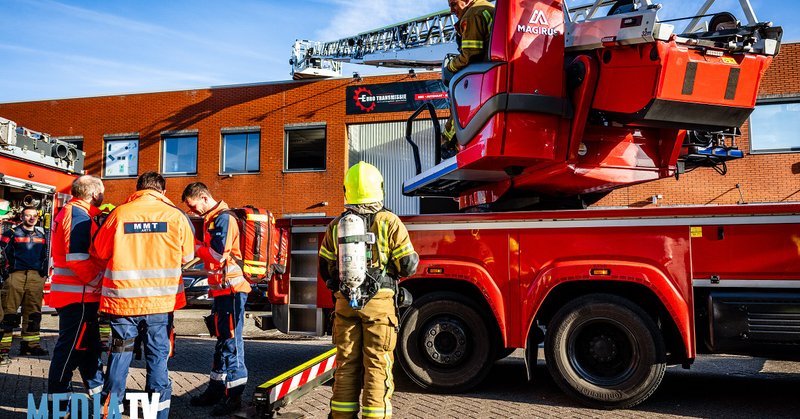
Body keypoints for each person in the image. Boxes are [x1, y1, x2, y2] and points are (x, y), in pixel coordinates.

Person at [318, 161, 419, 419]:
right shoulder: (390, 221)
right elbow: (407, 265)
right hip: (379, 305)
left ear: (346, 190)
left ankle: (341, 416)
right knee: (377, 364)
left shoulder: (336, 225)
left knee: (346, 364)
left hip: (345, 303)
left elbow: (325, 267)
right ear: (380, 188)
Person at [91, 172, 194, 418]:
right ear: (162, 191)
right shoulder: (175, 216)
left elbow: (100, 251)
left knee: (120, 354)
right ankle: (157, 413)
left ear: (137, 189)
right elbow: (188, 256)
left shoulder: (119, 214)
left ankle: (109, 411)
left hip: (124, 304)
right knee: (157, 357)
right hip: (160, 304)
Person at [182, 182, 251, 416]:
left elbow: (217, 255)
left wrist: (194, 246)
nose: (193, 211)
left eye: (193, 206)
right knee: (223, 342)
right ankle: (216, 389)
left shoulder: (223, 219)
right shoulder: (214, 220)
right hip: (223, 292)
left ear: (203, 197)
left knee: (232, 343)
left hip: (232, 291)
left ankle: (234, 397)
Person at [47, 175, 106, 406]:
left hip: (80, 295)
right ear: (93, 194)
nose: (103, 196)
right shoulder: (78, 215)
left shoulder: (76, 213)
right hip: (78, 295)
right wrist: (99, 281)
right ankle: (58, 402)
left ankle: (98, 394)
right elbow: (78, 258)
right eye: (101, 192)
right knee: (70, 350)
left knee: (89, 349)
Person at [440, 0, 495, 158]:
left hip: (482, 77)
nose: (452, 10)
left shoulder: (472, 15)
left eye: (454, 4)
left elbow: (469, 56)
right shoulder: (487, 8)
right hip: (490, 72)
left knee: (459, 98)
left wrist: (450, 67)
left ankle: (449, 143)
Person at [0, 206, 49, 364]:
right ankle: (3, 351)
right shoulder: (11, 234)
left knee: (33, 313)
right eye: (28, 216)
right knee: (8, 314)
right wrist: (5, 274)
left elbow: (44, 255)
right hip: (16, 276)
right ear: (21, 217)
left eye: (34, 216)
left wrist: (43, 274)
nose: (32, 218)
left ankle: (30, 345)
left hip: (36, 277)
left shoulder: (41, 235)